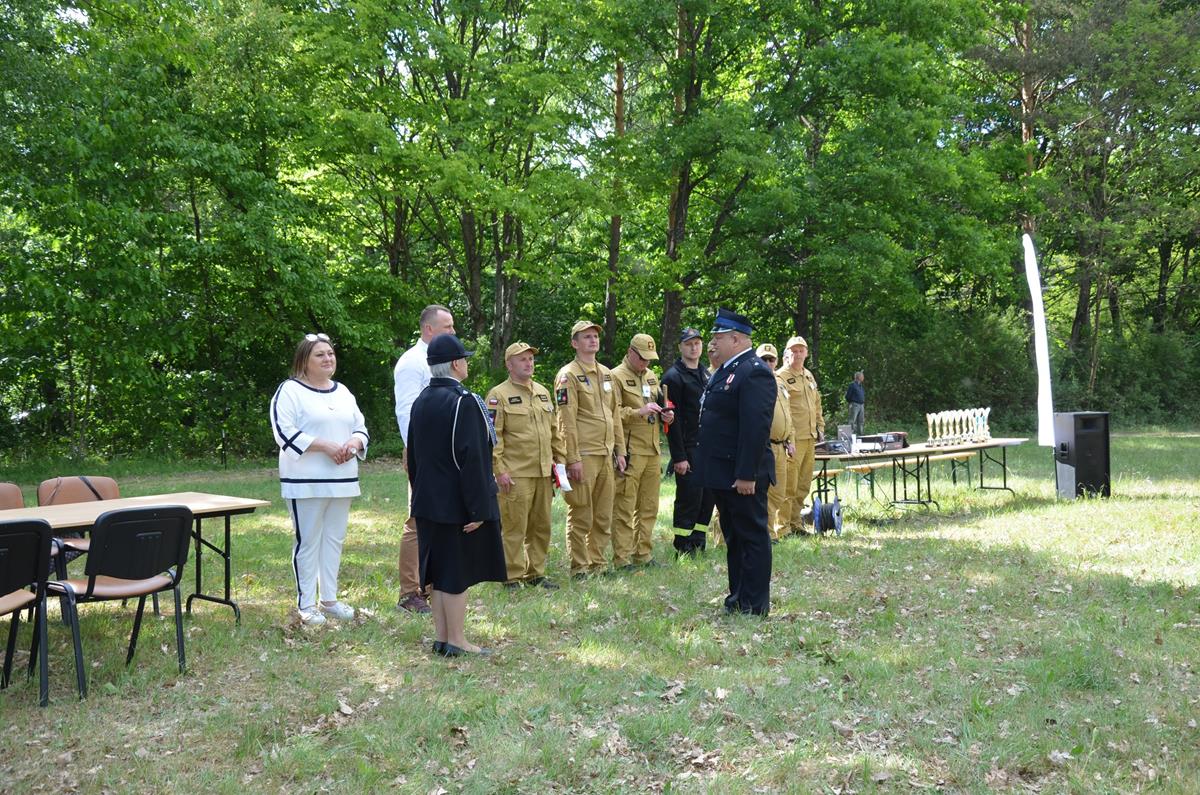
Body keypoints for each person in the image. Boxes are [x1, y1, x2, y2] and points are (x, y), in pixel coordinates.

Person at [407, 334, 506, 657]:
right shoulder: (464, 402)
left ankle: (442, 638)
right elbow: (474, 459)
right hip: (456, 503)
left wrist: (419, 493)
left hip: (427, 500)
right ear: (455, 364)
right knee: (456, 573)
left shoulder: (421, 400)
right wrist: (478, 508)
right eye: (464, 358)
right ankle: (457, 640)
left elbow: (413, 457)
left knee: (439, 572)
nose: (466, 363)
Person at [270, 332, 369, 626]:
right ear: (304, 360)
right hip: (306, 482)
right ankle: (306, 604)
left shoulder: (343, 392)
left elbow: (360, 427)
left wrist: (353, 444)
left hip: (342, 479)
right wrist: (325, 446)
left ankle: (330, 600)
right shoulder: (289, 391)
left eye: (330, 353)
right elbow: (284, 431)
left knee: (334, 539)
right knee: (308, 541)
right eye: (320, 354)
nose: (328, 358)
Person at [695, 309, 776, 615]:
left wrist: (746, 474)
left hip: (743, 474)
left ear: (737, 339)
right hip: (723, 471)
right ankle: (738, 598)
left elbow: (755, 429)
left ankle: (754, 605)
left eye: (719, 337)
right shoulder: (727, 370)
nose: (713, 343)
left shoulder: (753, 371)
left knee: (751, 537)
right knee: (734, 537)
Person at [485, 342, 566, 589]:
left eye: (531, 359)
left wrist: (560, 462)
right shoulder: (498, 395)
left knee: (541, 526)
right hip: (516, 474)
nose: (529, 363)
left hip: (543, 472)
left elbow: (554, 431)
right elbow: (492, 437)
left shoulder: (542, 392)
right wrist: (499, 471)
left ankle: (536, 573)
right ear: (509, 365)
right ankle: (511, 576)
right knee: (514, 528)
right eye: (522, 359)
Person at [393, 304, 456, 613]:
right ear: (429, 329)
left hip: (444, 453)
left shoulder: (442, 360)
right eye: (448, 327)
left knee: (439, 517)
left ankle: (431, 585)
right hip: (423, 453)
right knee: (418, 520)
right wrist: (416, 453)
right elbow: (406, 411)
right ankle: (410, 593)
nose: (453, 332)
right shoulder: (412, 362)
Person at [554, 320, 627, 577]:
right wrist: (572, 458)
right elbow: (566, 420)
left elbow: (614, 414)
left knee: (604, 514)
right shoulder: (568, 375)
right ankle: (580, 567)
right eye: (586, 337)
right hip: (584, 455)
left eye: (595, 336)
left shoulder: (606, 373)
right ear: (574, 343)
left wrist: (620, 450)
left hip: (606, 453)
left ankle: (598, 563)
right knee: (581, 511)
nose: (593, 340)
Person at [610, 334, 674, 569]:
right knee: (625, 506)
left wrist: (667, 415)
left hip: (652, 449)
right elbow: (613, 413)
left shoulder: (651, 376)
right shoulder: (615, 376)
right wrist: (638, 412)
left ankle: (643, 554)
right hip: (630, 450)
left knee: (649, 506)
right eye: (642, 358)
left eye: (649, 359)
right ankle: (622, 558)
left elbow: (660, 404)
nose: (646, 363)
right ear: (630, 352)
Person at [661, 327, 714, 556]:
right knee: (689, 498)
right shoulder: (673, 377)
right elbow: (672, 422)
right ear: (680, 347)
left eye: (697, 343)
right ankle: (683, 546)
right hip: (688, 447)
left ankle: (698, 542)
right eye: (689, 344)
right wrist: (679, 457)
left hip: (708, 448)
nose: (694, 348)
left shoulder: (706, 374)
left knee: (707, 498)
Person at [777, 335, 824, 534]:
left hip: (810, 437)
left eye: (800, 350)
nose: (797, 354)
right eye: (793, 351)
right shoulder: (780, 377)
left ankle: (796, 524)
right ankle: (782, 527)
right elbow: (783, 409)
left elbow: (816, 403)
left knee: (803, 485)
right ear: (786, 354)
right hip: (792, 441)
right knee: (789, 485)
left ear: (806, 353)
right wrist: (789, 437)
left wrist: (820, 427)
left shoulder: (808, 375)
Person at [755, 343, 794, 541]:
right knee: (763, 493)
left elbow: (788, 414)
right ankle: (764, 534)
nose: (768, 363)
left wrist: (790, 439)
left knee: (778, 494)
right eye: (764, 359)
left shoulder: (780, 383)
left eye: (771, 359)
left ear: (776, 361)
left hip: (781, 446)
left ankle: (770, 531)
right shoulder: (753, 382)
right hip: (764, 446)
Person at [846, 370, 866, 437]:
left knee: (861, 421)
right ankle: (850, 435)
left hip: (861, 405)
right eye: (862, 376)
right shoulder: (852, 385)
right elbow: (848, 396)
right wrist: (851, 403)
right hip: (854, 404)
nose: (863, 377)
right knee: (852, 420)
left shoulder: (860, 385)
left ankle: (861, 435)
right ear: (858, 377)